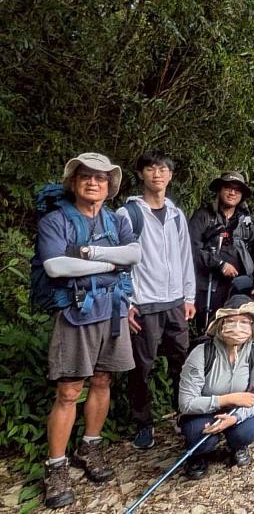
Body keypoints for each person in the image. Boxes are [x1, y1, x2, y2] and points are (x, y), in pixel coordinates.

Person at [37, 153, 141, 509]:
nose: (93, 183)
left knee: (102, 381)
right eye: (86, 177)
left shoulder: (116, 220)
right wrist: (109, 259)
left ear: (110, 186)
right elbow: (55, 266)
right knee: (68, 391)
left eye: (100, 178)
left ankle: (90, 446)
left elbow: (133, 256)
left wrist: (89, 254)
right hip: (75, 312)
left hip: (112, 310)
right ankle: (56, 466)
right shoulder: (56, 221)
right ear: (74, 182)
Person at [117, 152, 196, 450]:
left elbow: (184, 257)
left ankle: (184, 414)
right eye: (150, 168)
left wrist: (188, 296)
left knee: (183, 363)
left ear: (171, 176)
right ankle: (143, 423)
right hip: (144, 302)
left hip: (175, 301)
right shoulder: (129, 214)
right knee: (141, 367)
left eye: (163, 169)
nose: (157, 174)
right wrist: (127, 302)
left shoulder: (176, 215)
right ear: (140, 174)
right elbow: (120, 262)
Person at [178, 297, 254, 479]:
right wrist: (226, 400)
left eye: (245, 322)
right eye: (231, 321)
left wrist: (235, 417)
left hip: (237, 410)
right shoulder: (201, 353)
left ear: (253, 327)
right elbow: (186, 403)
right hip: (203, 411)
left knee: (244, 433)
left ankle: (236, 445)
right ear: (220, 325)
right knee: (200, 437)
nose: (238, 328)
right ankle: (198, 455)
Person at [189, 172, 254, 333]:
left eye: (237, 190)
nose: (232, 193)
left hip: (240, 286)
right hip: (209, 285)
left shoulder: (248, 222)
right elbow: (192, 250)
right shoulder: (203, 216)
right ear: (219, 190)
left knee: (237, 329)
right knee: (209, 328)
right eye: (228, 188)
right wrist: (220, 264)